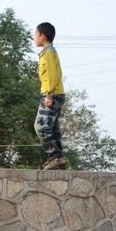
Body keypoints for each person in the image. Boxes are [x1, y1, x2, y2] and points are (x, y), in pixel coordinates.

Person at [34, 22, 66, 171]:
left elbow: (52, 75)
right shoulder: (51, 52)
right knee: (53, 129)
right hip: (57, 94)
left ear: (42, 36)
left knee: (41, 126)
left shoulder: (47, 53)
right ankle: (59, 162)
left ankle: (56, 157)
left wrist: (49, 95)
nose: (34, 38)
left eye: (36, 34)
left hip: (51, 94)